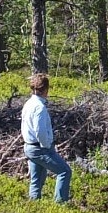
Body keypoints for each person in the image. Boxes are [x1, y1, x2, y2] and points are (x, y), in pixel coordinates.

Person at [21, 73, 71, 203]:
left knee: (36, 180)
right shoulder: (39, 107)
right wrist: (47, 146)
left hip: (29, 146)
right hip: (40, 148)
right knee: (64, 171)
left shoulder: (28, 103)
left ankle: (34, 205)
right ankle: (60, 204)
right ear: (46, 89)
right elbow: (40, 131)